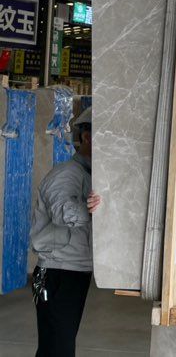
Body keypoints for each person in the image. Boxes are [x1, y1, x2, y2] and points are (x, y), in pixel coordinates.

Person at [30, 107, 101, 357]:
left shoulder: (88, 175)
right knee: (57, 349)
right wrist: (93, 209)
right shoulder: (66, 173)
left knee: (58, 347)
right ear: (87, 137)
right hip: (57, 273)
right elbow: (64, 213)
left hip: (73, 272)